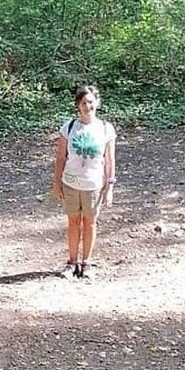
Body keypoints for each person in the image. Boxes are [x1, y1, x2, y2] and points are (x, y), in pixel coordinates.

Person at [53, 84, 116, 279]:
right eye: (83, 102)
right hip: (71, 183)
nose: (87, 106)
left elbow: (110, 160)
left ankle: (86, 263)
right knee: (73, 222)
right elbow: (61, 158)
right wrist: (57, 183)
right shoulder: (69, 127)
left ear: (97, 102)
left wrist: (109, 187)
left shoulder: (106, 128)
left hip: (93, 185)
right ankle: (72, 263)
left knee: (90, 223)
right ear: (77, 105)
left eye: (90, 102)